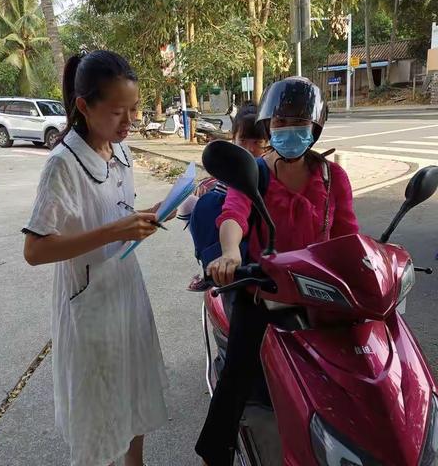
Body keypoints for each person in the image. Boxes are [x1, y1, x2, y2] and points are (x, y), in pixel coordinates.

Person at [195, 77, 359, 466]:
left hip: (320, 291)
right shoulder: (255, 172)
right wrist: (231, 253)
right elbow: (233, 214)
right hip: (263, 287)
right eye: (282, 123)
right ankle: (216, 452)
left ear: (315, 128)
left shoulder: (334, 178)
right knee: (239, 374)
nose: (290, 131)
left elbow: (349, 239)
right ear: (270, 126)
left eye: (299, 123)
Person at [22, 50, 169, 466]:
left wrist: (165, 208)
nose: (130, 121)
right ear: (84, 106)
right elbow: (34, 250)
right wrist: (114, 231)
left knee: (134, 390)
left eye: (134, 109)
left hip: (126, 293)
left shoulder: (120, 152)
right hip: (90, 305)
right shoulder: (62, 166)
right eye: (119, 111)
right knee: (100, 407)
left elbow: (120, 215)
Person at [178, 102, 268, 291]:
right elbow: (232, 211)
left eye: (257, 142)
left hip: (258, 238)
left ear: (268, 143)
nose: (249, 149)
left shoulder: (268, 170)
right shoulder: (231, 170)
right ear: (233, 140)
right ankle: (208, 264)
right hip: (230, 233)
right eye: (243, 141)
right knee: (194, 204)